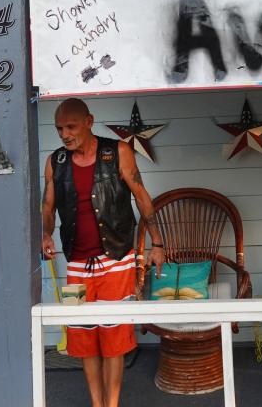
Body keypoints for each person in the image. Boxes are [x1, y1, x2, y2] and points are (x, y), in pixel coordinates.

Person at [42, 98, 165, 407]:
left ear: (89, 121)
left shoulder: (117, 152)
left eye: (70, 127)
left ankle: (111, 404)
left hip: (117, 261)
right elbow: (48, 205)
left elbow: (141, 195)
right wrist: (44, 233)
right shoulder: (55, 161)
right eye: (59, 129)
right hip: (77, 267)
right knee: (83, 340)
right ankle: (97, 404)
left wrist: (158, 243)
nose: (64, 135)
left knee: (114, 339)